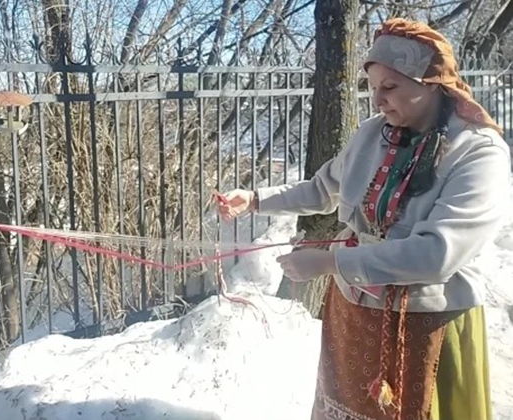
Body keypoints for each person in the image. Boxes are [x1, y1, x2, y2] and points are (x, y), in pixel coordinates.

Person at [216, 18, 510, 420]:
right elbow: (322, 189)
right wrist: (254, 200)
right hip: (354, 310)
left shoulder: (478, 152)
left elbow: (438, 254)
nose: (377, 101)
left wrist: (331, 262)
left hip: (428, 322)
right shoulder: (372, 134)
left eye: (390, 87)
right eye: (372, 88)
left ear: (431, 83)